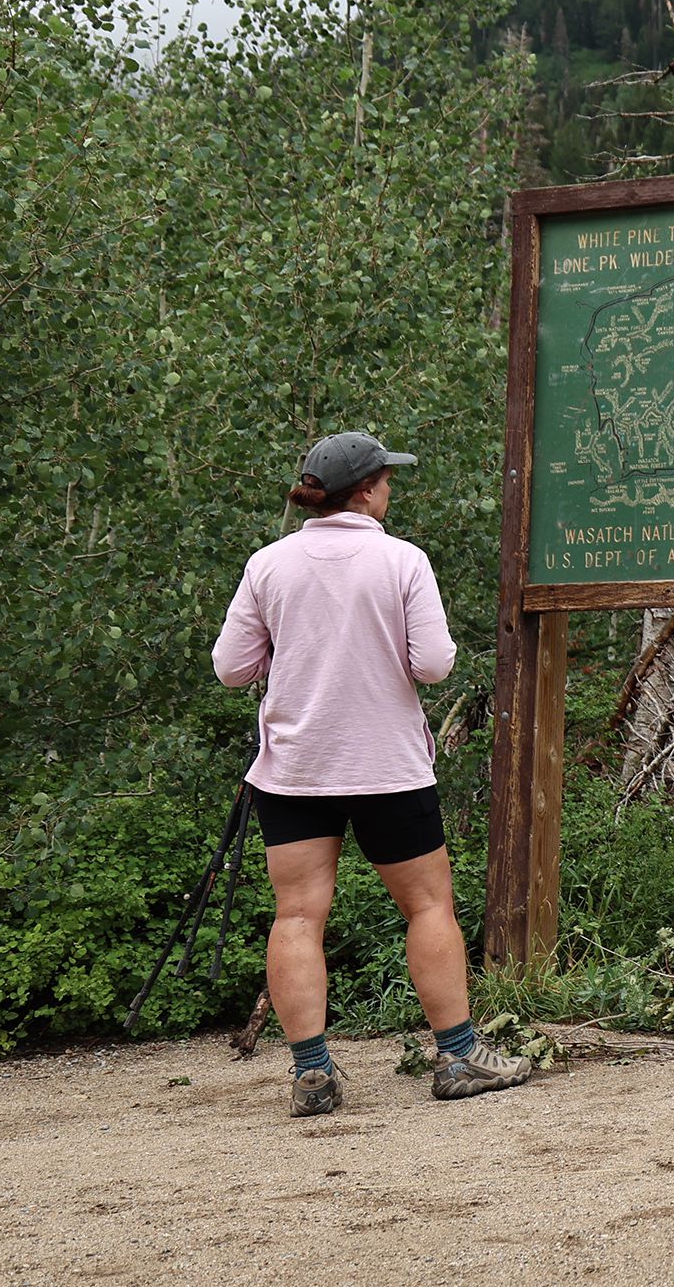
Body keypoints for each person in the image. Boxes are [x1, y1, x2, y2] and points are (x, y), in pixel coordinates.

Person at [211, 430, 532, 1117]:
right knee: (427, 905)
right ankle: (457, 1056)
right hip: (388, 766)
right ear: (366, 490)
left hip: (295, 769)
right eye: (388, 480)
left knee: (297, 914)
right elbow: (434, 664)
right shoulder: (402, 561)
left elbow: (232, 668)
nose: (391, 489)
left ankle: (312, 1074)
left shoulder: (267, 564)